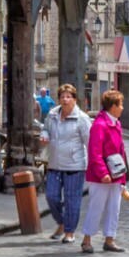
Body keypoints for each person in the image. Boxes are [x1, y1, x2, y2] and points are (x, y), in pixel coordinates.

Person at [37, 83, 90, 244]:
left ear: (74, 100)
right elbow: (45, 128)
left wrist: (95, 164)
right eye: (62, 97)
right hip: (54, 163)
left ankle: (69, 232)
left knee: (71, 200)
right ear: (58, 99)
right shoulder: (53, 114)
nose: (65, 100)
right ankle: (61, 222)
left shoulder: (82, 119)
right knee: (51, 196)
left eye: (68, 97)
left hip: (74, 165)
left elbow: (90, 142)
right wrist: (44, 134)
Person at [80, 88, 129, 254]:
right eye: (120, 104)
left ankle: (110, 239)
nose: (122, 107)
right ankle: (87, 239)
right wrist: (103, 173)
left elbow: (121, 151)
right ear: (113, 106)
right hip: (101, 176)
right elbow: (95, 152)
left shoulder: (116, 124)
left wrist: (122, 177)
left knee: (114, 208)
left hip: (115, 173)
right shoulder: (100, 126)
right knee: (96, 207)